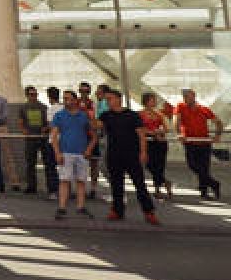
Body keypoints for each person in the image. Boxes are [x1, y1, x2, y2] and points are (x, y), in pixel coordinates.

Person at [98, 90, 158, 224]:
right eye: (106, 99)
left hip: (132, 155)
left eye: (110, 99)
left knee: (140, 184)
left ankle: (149, 212)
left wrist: (143, 152)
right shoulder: (105, 115)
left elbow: (141, 135)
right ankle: (117, 211)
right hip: (113, 155)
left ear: (119, 99)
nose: (108, 102)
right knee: (116, 185)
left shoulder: (132, 115)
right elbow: (95, 126)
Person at [50, 90, 96, 219]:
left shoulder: (84, 116)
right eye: (64, 98)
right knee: (64, 181)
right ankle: (61, 208)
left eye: (69, 98)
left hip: (82, 154)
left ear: (76, 100)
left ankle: (80, 207)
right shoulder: (59, 115)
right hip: (66, 153)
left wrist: (89, 149)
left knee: (81, 181)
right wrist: (57, 153)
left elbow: (93, 136)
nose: (66, 101)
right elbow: (53, 136)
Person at [176, 88, 224, 200]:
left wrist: (217, 135)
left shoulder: (204, 109)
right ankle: (214, 184)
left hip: (204, 143)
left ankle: (204, 192)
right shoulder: (180, 106)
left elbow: (218, 122)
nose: (185, 99)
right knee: (192, 165)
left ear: (194, 96)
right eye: (184, 96)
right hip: (190, 142)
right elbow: (176, 120)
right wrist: (179, 133)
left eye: (187, 96)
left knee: (204, 168)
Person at [15, 86, 56, 197]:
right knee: (30, 163)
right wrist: (23, 130)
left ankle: (51, 187)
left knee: (48, 163)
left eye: (35, 94)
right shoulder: (23, 108)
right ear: (27, 95)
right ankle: (31, 186)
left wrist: (46, 128)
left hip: (43, 139)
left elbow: (49, 122)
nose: (34, 96)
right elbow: (20, 121)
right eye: (31, 94)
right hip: (30, 139)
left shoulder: (44, 107)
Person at [140, 92, 172, 200]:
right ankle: (165, 182)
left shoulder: (160, 114)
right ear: (146, 101)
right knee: (149, 164)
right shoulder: (140, 114)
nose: (154, 102)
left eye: (154, 100)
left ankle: (157, 189)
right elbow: (139, 128)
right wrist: (151, 132)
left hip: (160, 142)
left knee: (159, 166)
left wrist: (159, 131)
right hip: (147, 142)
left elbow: (167, 128)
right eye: (152, 100)